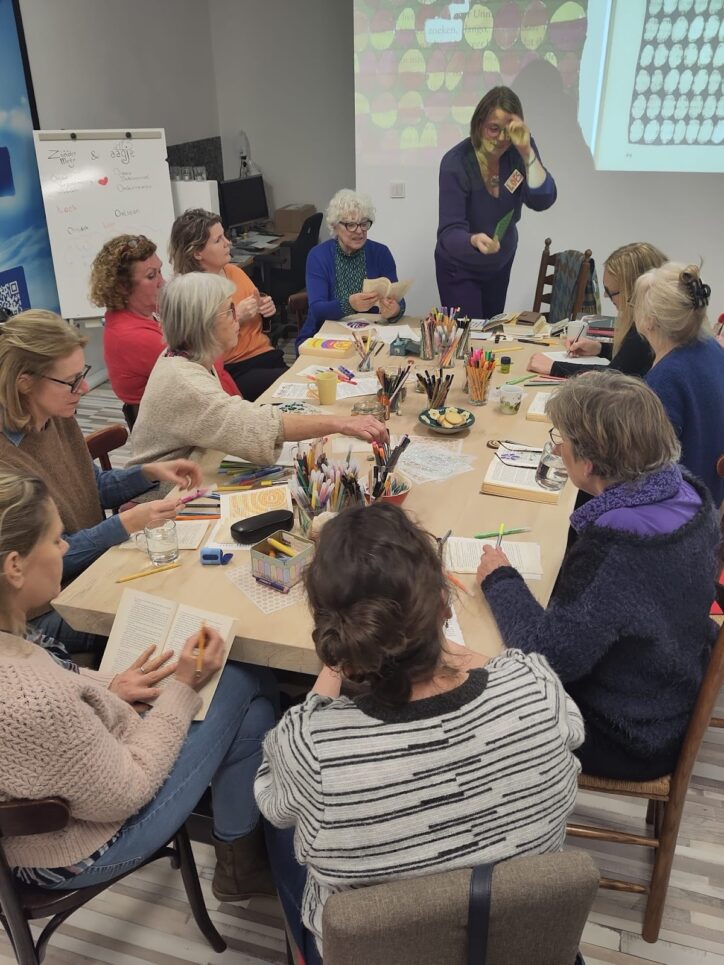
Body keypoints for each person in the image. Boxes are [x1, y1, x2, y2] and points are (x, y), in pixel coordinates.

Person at [255, 502, 583, 963]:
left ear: (337, 636)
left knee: (279, 827)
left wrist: (329, 679)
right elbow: (571, 731)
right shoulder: (534, 686)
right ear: (443, 601)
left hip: (374, 950)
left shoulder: (311, 749)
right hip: (516, 944)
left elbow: (270, 796)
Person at [0, 470, 277, 901]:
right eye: (55, 541)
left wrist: (106, 685)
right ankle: (243, 857)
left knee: (253, 712)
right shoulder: (31, 698)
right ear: (14, 566)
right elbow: (126, 792)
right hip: (72, 849)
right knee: (244, 676)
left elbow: (52, 677)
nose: (66, 547)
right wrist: (183, 687)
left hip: (67, 794)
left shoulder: (15, 640)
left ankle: (241, 863)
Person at [476, 372, 720, 782]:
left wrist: (500, 579)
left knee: (479, 692)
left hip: (632, 733)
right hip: (669, 680)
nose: (557, 446)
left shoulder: (619, 548)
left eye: (563, 439)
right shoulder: (690, 492)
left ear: (588, 463)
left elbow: (547, 657)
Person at [0, 311, 203, 653]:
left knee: (189, 584)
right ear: (24, 382)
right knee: (176, 611)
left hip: (96, 570)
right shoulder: (7, 462)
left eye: (82, 375)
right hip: (44, 608)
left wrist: (149, 472)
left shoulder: (55, 414)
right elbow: (48, 559)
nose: (82, 388)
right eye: (70, 380)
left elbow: (91, 487)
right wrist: (125, 524)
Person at [130, 272, 388, 468]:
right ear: (204, 324)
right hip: (165, 498)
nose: (237, 318)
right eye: (229, 310)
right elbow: (259, 427)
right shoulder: (186, 381)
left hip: (194, 469)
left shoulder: (186, 357)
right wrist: (340, 423)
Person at [89, 234, 241, 423]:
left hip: (202, 407)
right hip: (185, 425)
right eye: (151, 276)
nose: (162, 282)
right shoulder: (131, 336)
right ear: (122, 287)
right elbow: (207, 363)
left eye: (160, 271)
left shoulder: (149, 311)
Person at [435, 86, 556, 320]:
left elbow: (543, 200)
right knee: (469, 339)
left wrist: (528, 153)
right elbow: (448, 232)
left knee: (490, 334)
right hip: (460, 267)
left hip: (499, 263)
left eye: (509, 131)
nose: (502, 139)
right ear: (479, 124)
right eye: (494, 129)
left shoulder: (520, 151)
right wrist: (472, 239)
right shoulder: (456, 162)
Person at [170, 208, 287, 401]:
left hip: (266, 354)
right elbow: (197, 348)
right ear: (197, 252)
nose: (228, 243)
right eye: (218, 240)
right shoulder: (192, 293)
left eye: (224, 236)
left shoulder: (234, 271)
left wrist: (267, 309)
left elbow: (260, 322)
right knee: (297, 385)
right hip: (234, 369)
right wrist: (237, 317)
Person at [633, 262, 724, 505]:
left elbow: (642, 473)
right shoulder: (713, 350)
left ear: (649, 321)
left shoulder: (665, 379)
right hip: (709, 500)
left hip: (680, 515)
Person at [527, 242, 665, 378]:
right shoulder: (655, 318)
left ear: (633, 290)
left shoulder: (647, 330)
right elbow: (630, 361)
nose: (606, 296)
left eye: (611, 292)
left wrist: (554, 367)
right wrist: (600, 348)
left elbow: (614, 376)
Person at [295, 189, 406, 349]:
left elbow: (398, 298)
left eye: (363, 223)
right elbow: (317, 309)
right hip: (325, 334)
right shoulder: (318, 256)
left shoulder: (381, 252)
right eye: (351, 225)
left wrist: (395, 310)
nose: (359, 231)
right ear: (335, 226)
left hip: (371, 336)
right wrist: (350, 304)